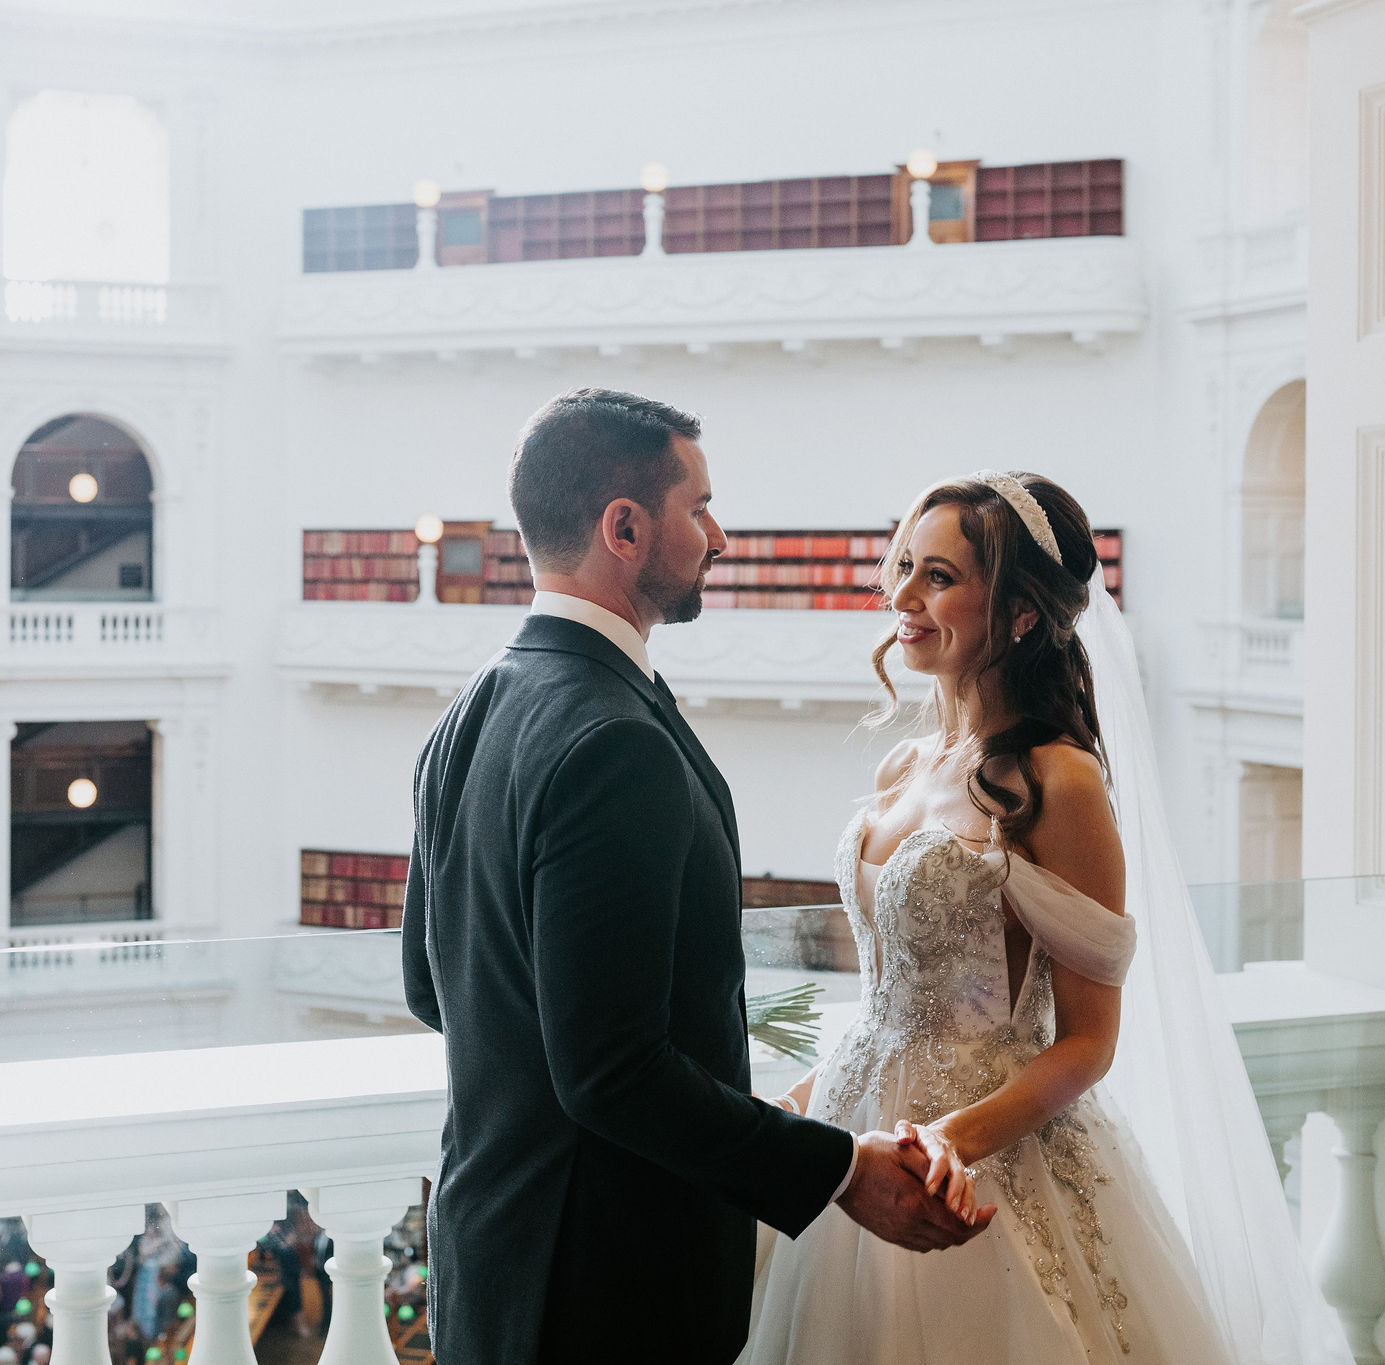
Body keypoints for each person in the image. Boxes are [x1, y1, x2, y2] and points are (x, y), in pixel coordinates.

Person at [402, 389, 991, 1365]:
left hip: (488, 1257)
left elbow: (435, 988)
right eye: (700, 508)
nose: (717, 536)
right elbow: (612, 1071)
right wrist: (842, 1170)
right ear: (624, 528)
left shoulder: (469, 714)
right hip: (608, 1284)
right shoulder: (612, 744)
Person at [744, 473, 1353, 1363]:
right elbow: (886, 1010)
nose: (902, 597)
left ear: (1021, 614)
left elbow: (1088, 1041)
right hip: (860, 1132)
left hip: (986, 1158)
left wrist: (946, 1142)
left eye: (939, 576)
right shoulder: (903, 767)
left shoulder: (1058, 783)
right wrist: (792, 1116)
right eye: (904, 565)